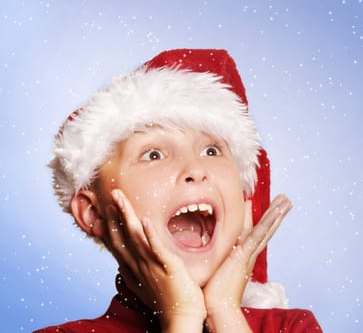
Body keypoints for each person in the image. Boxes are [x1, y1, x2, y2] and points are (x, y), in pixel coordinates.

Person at [35, 49, 322, 332]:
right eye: (153, 155)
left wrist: (225, 313)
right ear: (93, 213)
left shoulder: (292, 327)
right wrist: (182, 317)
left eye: (212, 150)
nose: (195, 170)